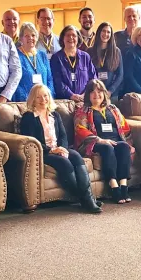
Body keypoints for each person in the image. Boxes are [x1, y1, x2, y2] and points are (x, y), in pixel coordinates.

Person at [21, 84, 101, 213]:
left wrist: (62, 148)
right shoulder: (28, 117)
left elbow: (63, 135)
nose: (43, 100)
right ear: (33, 99)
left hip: (59, 148)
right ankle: (87, 200)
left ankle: (87, 199)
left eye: (45, 96)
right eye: (38, 97)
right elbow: (30, 140)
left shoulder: (55, 114)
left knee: (76, 157)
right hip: (44, 152)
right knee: (65, 163)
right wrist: (51, 150)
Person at [74, 79, 134, 204]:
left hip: (116, 140)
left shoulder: (113, 108)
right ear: (88, 95)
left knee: (123, 146)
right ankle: (114, 187)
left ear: (104, 93)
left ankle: (123, 186)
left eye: (100, 91)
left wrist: (130, 144)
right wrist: (100, 140)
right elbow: (80, 129)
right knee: (107, 148)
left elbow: (124, 126)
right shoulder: (83, 110)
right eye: (93, 92)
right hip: (94, 143)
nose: (97, 95)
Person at [51, 25, 96, 101]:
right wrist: (71, 95)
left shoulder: (85, 57)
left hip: (84, 100)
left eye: (74, 35)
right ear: (63, 38)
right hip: (65, 102)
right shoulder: (56, 58)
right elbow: (57, 81)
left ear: (78, 38)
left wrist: (86, 94)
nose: (71, 38)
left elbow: (93, 78)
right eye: (68, 35)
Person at [12, 22, 55, 102]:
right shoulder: (16, 56)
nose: (30, 38)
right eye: (26, 36)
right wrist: (29, 99)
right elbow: (14, 82)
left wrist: (48, 96)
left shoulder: (42, 55)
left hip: (44, 102)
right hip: (24, 102)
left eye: (33, 35)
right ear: (21, 39)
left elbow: (49, 79)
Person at [90, 22, 123, 98]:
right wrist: (95, 91)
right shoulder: (90, 51)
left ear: (111, 35)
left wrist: (110, 91)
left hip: (111, 94)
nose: (106, 34)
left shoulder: (116, 51)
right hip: (94, 94)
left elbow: (120, 75)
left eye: (108, 32)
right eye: (103, 31)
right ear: (99, 32)